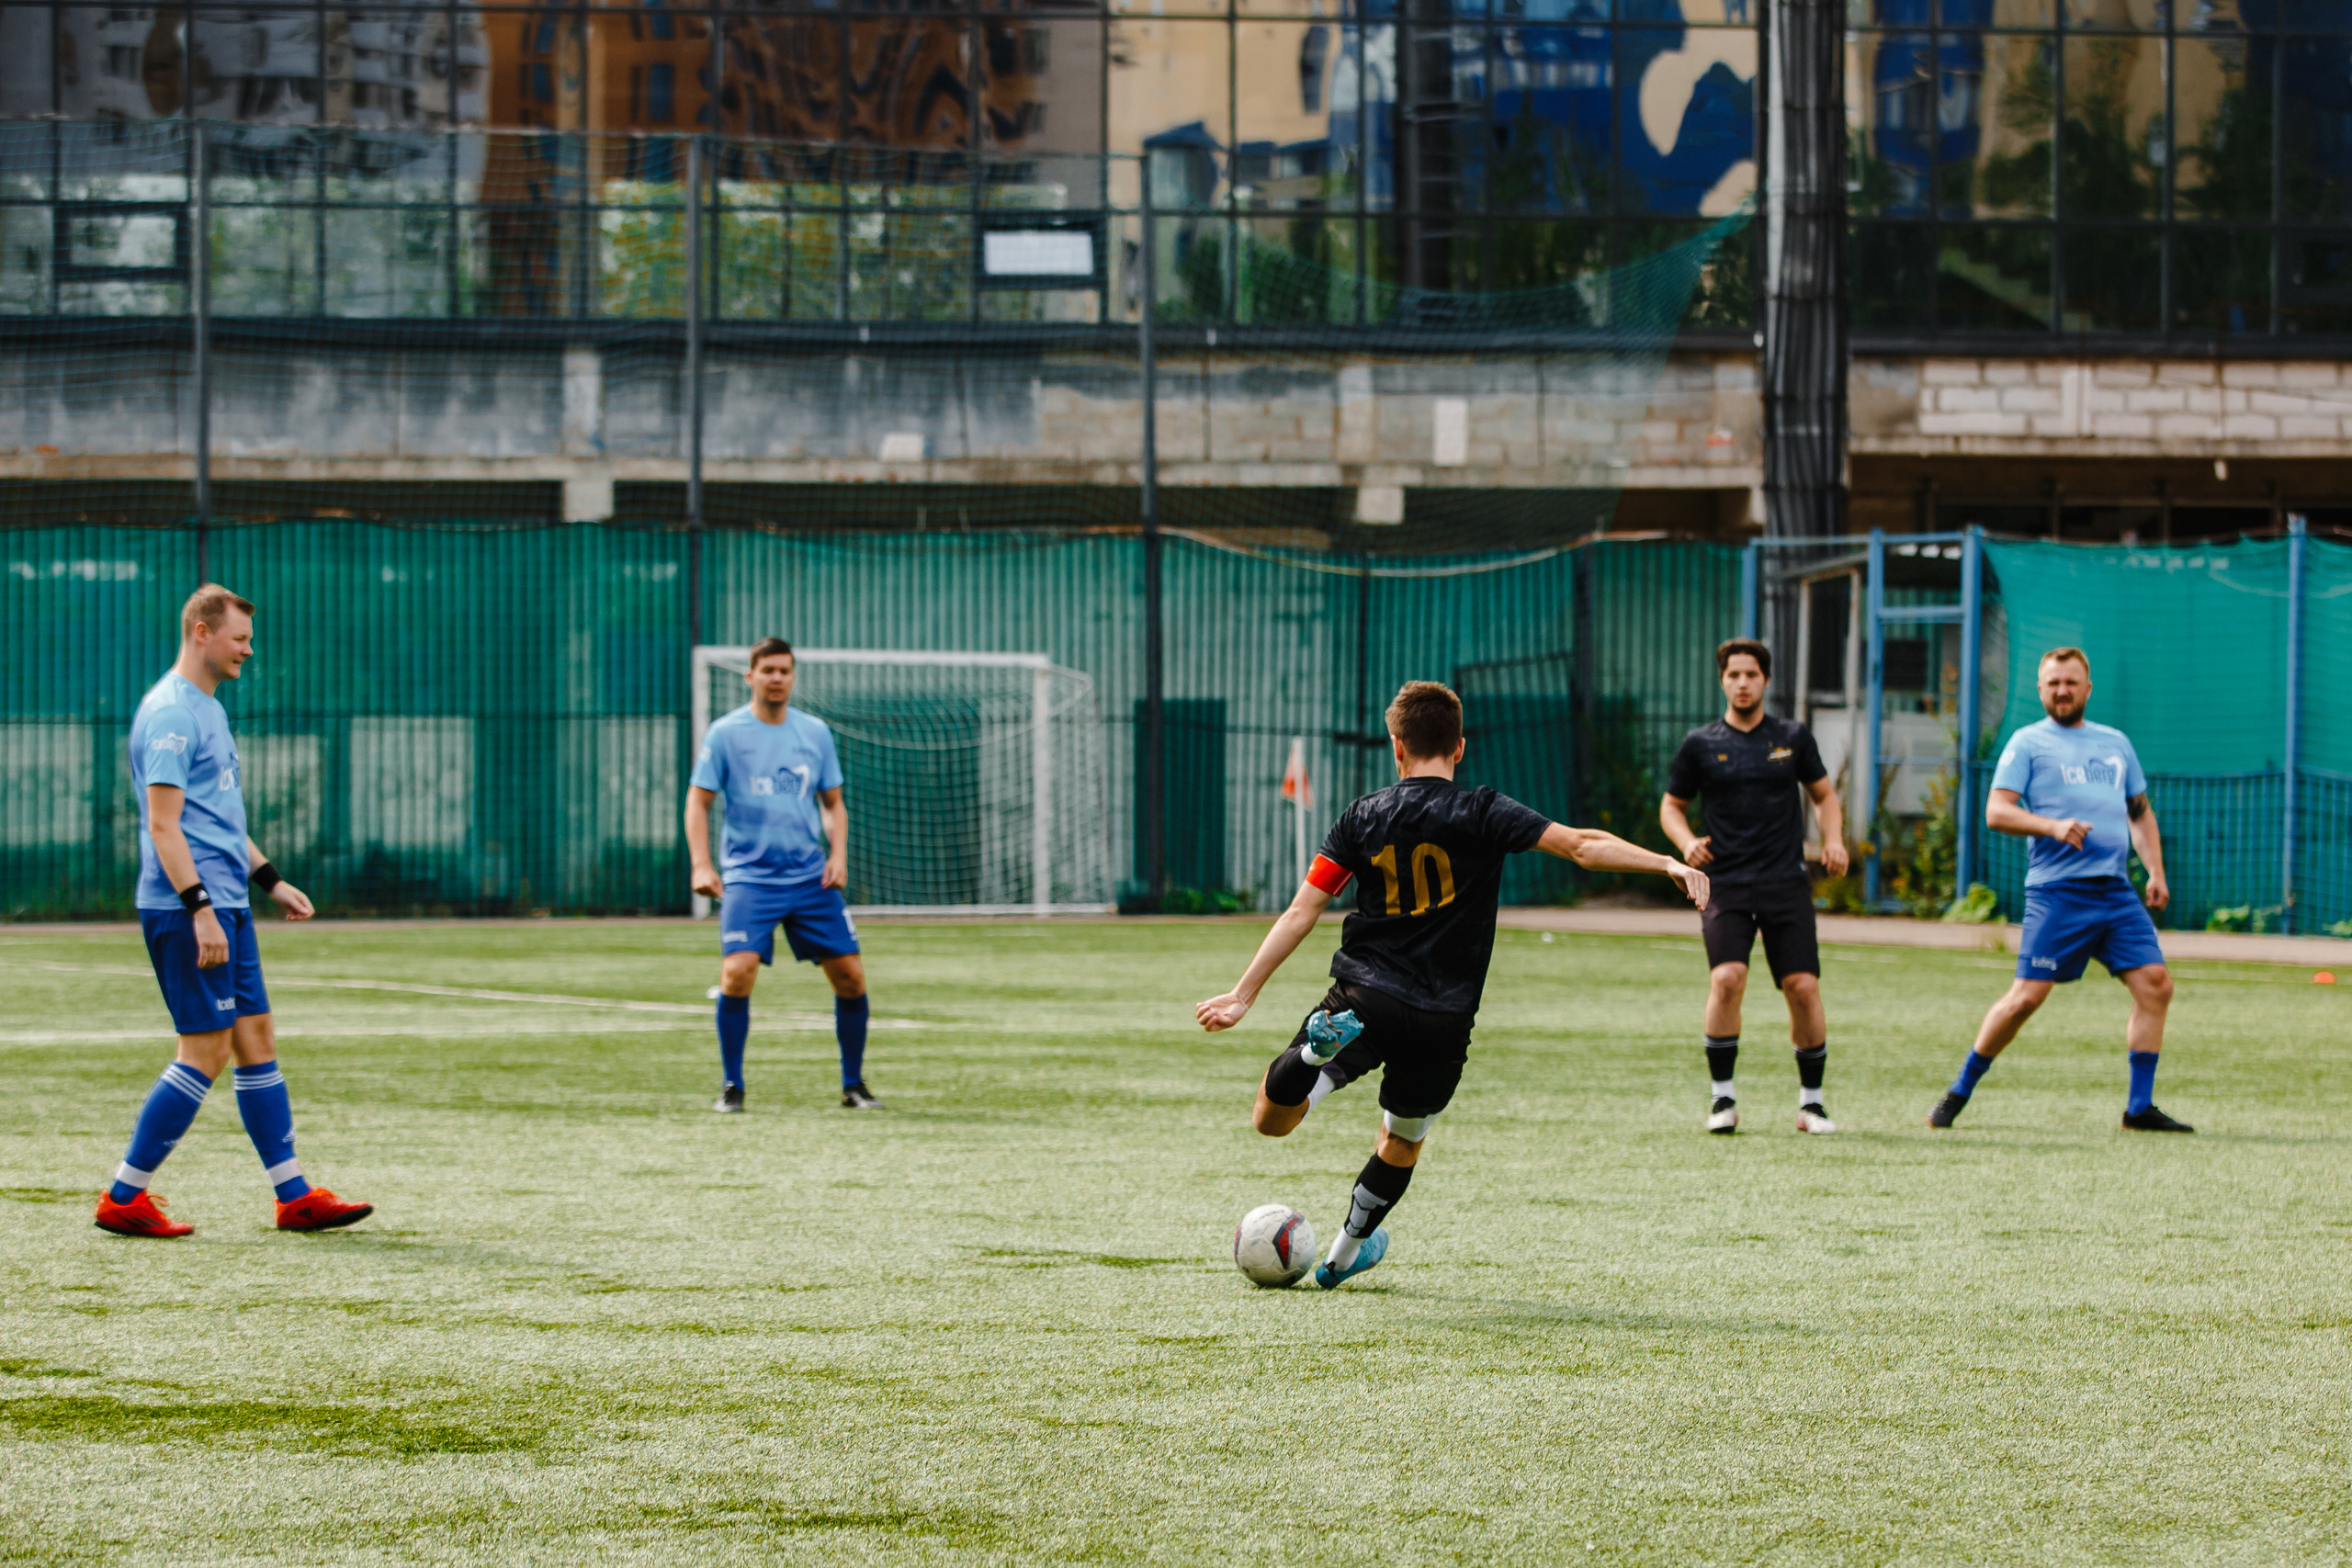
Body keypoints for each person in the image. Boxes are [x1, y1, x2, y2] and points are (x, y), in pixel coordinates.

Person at [1195, 681, 1709, 1290]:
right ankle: (1341, 1257)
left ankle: (1313, 1057)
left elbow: (1302, 911)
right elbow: (1581, 846)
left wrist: (1244, 993)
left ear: (1396, 746)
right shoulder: (1483, 810)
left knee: (1271, 1119)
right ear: (1459, 747)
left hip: (1364, 997)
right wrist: (1665, 861)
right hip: (1443, 1018)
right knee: (1402, 1139)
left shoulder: (1362, 815)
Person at [94, 585, 373, 1238]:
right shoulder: (171, 714)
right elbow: (164, 826)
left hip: (227, 902)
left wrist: (270, 880)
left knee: (256, 1039)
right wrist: (200, 909)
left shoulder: (209, 709)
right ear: (202, 632)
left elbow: (216, 819)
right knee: (207, 1050)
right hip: (189, 907)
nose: (249, 649)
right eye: (239, 637)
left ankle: (294, 1196)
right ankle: (123, 1195)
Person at [1929, 647, 2188, 1132]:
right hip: (2058, 893)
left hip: (2115, 892)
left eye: (2071, 682)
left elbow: (2138, 812)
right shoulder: (2028, 743)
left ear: (2088, 688)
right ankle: (1958, 1091)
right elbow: (1996, 812)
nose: (2062, 691)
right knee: (2025, 998)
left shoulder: (2115, 744)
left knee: (2156, 985)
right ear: (2040, 690)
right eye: (2053, 683)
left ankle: (2139, 1109)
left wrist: (2155, 871)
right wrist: (2052, 826)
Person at [1660, 637, 1849, 1135]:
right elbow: (1671, 806)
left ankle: (1812, 1105)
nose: (1742, 683)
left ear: (1765, 680)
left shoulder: (1792, 737)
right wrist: (1686, 843)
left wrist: (1833, 839)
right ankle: (1722, 1099)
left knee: (1803, 987)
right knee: (1727, 979)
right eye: (1733, 675)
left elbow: (1825, 796)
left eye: (1751, 675)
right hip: (1724, 883)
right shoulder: (1700, 743)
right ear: (1722, 681)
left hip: (1785, 881)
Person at [686, 637, 876, 1111]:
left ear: (793, 678)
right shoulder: (726, 733)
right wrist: (702, 863)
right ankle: (733, 1087)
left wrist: (838, 855)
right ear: (750, 676)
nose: (776, 678)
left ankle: (853, 1085)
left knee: (851, 977)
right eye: (767, 670)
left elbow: (833, 803)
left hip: (810, 878)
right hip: (749, 879)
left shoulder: (814, 732)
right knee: (737, 973)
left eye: (784, 671)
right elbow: (698, 801)